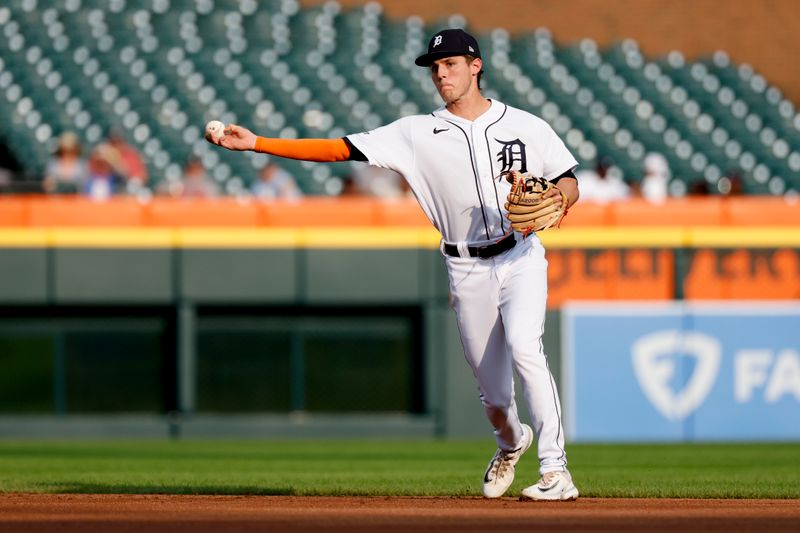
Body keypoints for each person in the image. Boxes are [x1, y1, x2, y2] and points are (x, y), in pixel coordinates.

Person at [207, 28, 580, 501]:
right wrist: (258, 143)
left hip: (520, 254)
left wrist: (557, 200)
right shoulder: (414, 133)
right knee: (494, 399)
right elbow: (339, 148)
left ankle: (556, 472)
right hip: (465, 267)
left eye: (449, 64)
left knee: (528, 347)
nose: (441, 73)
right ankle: (511, 443)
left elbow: (568, 182)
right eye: (435, 67)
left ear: (475, 65)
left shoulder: (527, 125)